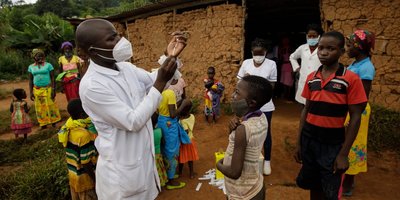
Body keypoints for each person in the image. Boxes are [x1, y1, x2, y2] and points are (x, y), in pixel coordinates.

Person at [76, 19, 187, 199]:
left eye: (118, 35)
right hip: (121, 181)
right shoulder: (92, 86)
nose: (120, 41)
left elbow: (155, 80)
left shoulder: (125, 67)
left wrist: (170, 57)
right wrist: (159, 82)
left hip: (143, 169)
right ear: (93, 51)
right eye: (111, 39)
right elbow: (133, 121)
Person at [294, 31, 367, 200]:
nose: (324, 52)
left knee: (330, 188)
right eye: (320, 48)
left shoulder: (350, 78)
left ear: (342, 52)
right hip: (309, 139)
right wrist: (299, 143)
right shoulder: (312, 78)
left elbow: (356, 116)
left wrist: (343, 154)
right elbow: (306, 109)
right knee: (313, 184)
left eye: (330, 48)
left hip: (332, 143)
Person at [217, 75, 273, 200]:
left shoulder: (243, 129)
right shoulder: (262, 118)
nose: (232, 96)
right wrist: (233, 130)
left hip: (242, 194)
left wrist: (219, 164)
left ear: (252, 102)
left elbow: (234, 172)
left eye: (237, 92)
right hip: (255, 187)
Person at [341, 30, 376, 197]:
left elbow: (363, 96)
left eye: (349, 46)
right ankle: (347, 178)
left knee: (353, 144)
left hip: (357, 110)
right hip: (349, 108)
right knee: (347, 141)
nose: (347, 49)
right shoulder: (356, 64)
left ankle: (348, 183)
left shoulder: (366, 67)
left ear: (359, 47)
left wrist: (353, 116)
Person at [237, 38, 277, 175]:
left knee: (266, 134)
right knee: (247, 133)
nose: (258, 56)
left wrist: (259, 101)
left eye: (261, 53)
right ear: (252, 52)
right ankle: (249, 160)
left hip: (265, 106)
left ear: (265, 52)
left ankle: (267, 161)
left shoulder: (271, 64)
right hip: (248, 105)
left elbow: (271, 87)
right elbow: (240, 83)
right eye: (255, 53)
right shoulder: (246, 63)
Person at [57, 98, 98, 200]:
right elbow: (86, 163)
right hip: (86, 180)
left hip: (73, 176)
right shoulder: (84, 135)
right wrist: (96, 180)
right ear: (82, 114)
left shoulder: (69, 125)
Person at [158, 85, 191, 189]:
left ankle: (168, 175)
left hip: (162, 122)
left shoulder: (159, 92)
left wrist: (179, 103)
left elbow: (167, 109)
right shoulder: (170, 93)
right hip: (170, 124)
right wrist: (183, 105)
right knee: (172, 151)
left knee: (165, 149)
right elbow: (173, 114)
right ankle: (171, 181)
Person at [290, 24, 323, 105]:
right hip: (303, 80)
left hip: (318, 80)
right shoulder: (302, 48)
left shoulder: (322, 48)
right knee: (303, 104)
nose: (311, 38)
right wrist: (297, 68)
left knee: (315, 104)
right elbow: (292, 57)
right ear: (306, 36)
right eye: (309, 36)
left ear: (319, 36)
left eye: (314, 36)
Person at [28, 49, 61, 129]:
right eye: (38, 56)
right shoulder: (31, 67)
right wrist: (31, 92)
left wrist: (53, 90)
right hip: (37, 90)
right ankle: (43, 124)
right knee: (40, 107)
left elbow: (53, 78)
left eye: (41, 56)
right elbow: (30, 80)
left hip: (48, 89)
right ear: (34, 57)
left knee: (51, 106)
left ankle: (54, 123)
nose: (40, 57)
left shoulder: (48, 65)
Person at [178, 101, 199, 179]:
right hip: (191, 140)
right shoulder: (192, 116)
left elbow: (185, 132)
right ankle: (191, 174)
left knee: (182, 158)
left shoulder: (182, 121)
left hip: (184, 141)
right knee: (190, 158)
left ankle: (180, 172)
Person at [151, 113, 168, 188]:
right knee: (159, 170)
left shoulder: (148, 134)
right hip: (158, 155)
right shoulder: (159, 131)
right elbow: (163, 142)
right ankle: (161, 184)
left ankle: (154, 186)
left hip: (150, 156)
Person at [278, 37, 294, 101]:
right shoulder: (281, 49)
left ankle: (289, 96)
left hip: (289, 66)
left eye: (286, 40)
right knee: (284, 81)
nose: (284, 42)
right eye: (283, 40)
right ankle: (285, 95)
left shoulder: (290, 48)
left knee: (289, 82)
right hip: (284, 66)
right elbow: (280, 58)